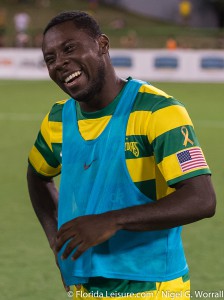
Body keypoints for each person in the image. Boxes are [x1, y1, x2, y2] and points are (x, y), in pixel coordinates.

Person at [27, 11, 216, 300]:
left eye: (69, 48)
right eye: (50, 58)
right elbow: (37, 175)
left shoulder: (158, 110)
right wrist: (57, 241)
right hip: (84, 288)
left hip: (154, 287)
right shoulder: (57, 119)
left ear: (102, 44)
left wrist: (111, 221)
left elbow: (201, 199)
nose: (60, 63)